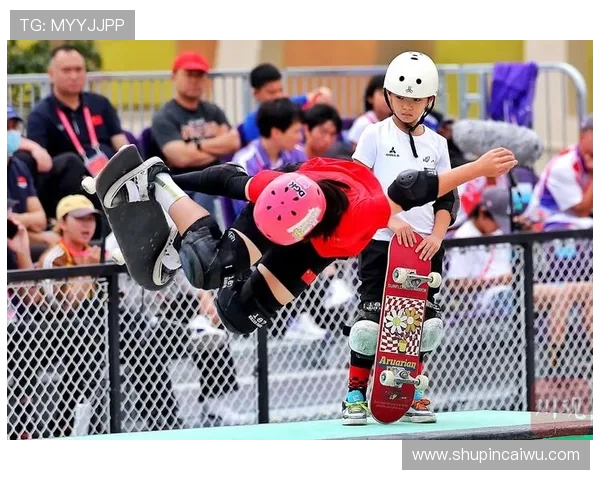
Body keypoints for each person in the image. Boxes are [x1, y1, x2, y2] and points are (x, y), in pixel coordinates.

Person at [93, 138, 515, 347]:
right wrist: (165, 177)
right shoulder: (278, 186)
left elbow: (417, 186)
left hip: (318, 242)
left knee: (238, 317)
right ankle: (164, 196)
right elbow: (226, 179)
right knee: (211, 270)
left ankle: (185, 239)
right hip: (289, 201)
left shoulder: (362, 213)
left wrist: (477, 168)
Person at [342, 51, 457, 425]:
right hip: (381, 242)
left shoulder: (437, 145)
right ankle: (355, 394)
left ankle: (410, 390)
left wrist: (437, 236)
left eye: (416, 99)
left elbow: (446, 197)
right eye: (401, 97)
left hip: (424, 248)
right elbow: (358, 188)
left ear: (430, 101)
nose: (408, 106)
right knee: (371, 325)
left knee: (421, 325)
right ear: (388, 96)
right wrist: (391, 219)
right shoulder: (374, 135)